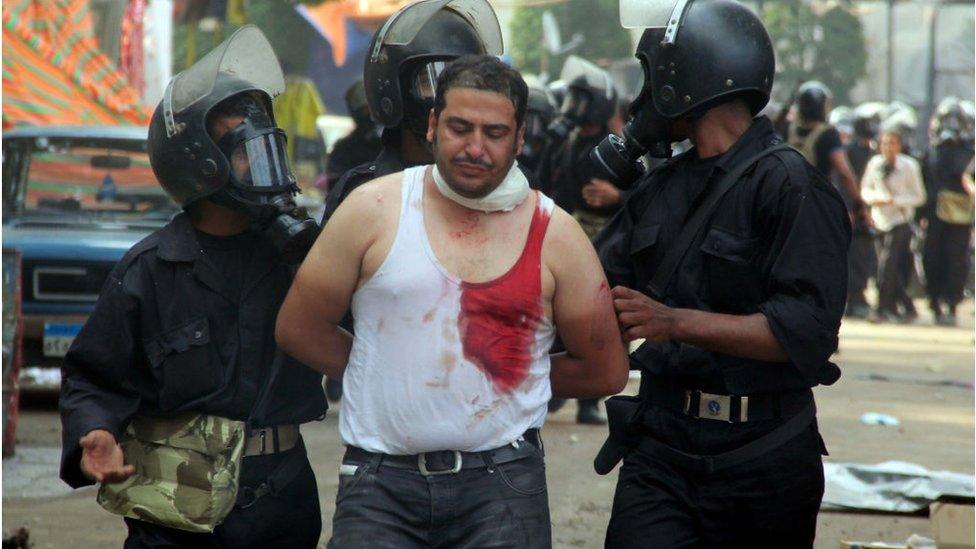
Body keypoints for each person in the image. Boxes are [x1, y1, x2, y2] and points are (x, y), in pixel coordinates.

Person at [276, 55, 629, 548]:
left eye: (495, 132)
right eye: (460, 127)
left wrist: (501, 376)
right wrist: (384, 369)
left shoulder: (556, 235)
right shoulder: (373, 209)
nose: (475, 148)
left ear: (520, 138)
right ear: (432, 124)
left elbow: (606, 371)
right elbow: (298, 326)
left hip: (504, 485)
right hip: (379, 486)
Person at [593, 1, 850, 546]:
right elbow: (590, 285)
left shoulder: (791, 186)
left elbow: (805, 330)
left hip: (764, 458)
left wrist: (673, 322)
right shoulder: (660, 188)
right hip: (660, 450)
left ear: (684, 74)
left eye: (651, 73)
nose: (644, 95)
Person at [58, 26, 326, 548]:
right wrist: (96, 434)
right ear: (201, 164)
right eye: (246, 151)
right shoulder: (150, 270)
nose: (263, 163)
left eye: (267, 145)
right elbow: (92, 376)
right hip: (175, 515)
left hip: (282, 499)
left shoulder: (302, 256)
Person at [321, 0, 503, 225]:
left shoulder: (510, 189)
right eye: (432, 80)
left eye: (467, 81)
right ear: (392, 87)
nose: (454, 96)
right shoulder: (360, 195)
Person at [921, 97, 976, 326]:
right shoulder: (931, 152)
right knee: (932, 257)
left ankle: (952, 303)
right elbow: (924, 181)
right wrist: (921, 215)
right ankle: (934, 300)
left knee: (956, 259)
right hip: (934, 213)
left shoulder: (970, 153)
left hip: (961, 215)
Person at [861, 131, 926, 322]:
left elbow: (919, 196)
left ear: (899, 146)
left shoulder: (909, 166)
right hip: (880, 220)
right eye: (885, 143)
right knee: (887, 268)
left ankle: (880, 308)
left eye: (892, 143)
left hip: (900, 221)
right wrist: (876, 199)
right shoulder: (875, 164)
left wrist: (895, 201)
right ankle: (907, 306)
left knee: (886, 264)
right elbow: (865, 189)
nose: (888, 147)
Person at [788, 80, 869, 223]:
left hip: (787, 201)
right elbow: (844, 173)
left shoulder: (787, 130)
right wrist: (859, 203)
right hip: (817, 204)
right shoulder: (828, 134)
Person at [844, 102, 885, 318]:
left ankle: (860, 296)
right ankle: (850, 300)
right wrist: (850, 208)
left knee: (864, 256)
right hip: (853, 209)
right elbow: (843, 180)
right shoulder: (849, 150)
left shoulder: (875, 151)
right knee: (850, 255)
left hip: (869, 210)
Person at [325, 79, 382, 189]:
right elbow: (337, 188)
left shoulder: (397, 142)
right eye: (365, 112)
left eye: (373, 111)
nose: (370, 117)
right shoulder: (344, 149)